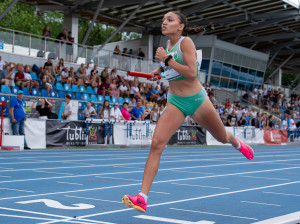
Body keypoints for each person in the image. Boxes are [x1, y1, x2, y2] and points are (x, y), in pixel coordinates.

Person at [122, 11, 254, 213]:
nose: (164, 22)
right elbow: (169, 69)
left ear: (181, 26)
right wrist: (158, 73)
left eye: (169, 20)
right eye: (163, 19)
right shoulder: (166, 46)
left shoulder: (186, 43)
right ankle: (142, 197)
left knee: (221, 137)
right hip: (175, 102)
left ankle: (236, 143)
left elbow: (192, 73)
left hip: (197, 101)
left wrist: (167, 61)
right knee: (157, 144)